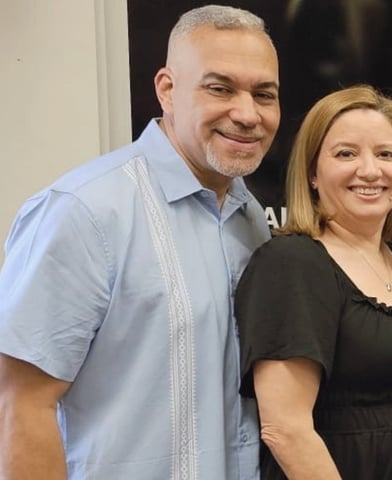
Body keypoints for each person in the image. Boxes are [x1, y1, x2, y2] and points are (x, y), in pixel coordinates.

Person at [0, 5, 280, 480]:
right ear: (167, 90)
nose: (247, 114)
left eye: (264, 94)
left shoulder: (248, 215)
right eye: (220, 88)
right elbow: (20, 406)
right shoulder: (84, 210)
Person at [235, 84, 392, 480]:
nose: (370, 170)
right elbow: (286, 429)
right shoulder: (293, 263)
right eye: (346, 153)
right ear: (312, 173)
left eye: (386, 154)